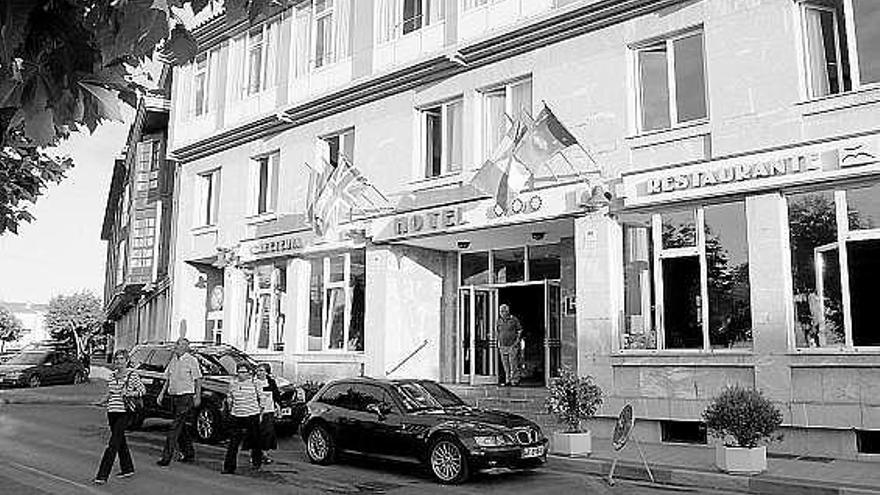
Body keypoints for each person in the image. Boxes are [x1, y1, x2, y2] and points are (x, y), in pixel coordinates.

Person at [94, 349, 145, 485]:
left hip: (124, 411)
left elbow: (141, 390)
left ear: (127, 360)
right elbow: (110, 392)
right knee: (120, 441)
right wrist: (101, 401)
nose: (118, 361)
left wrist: (129, 393)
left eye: (122, 359)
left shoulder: (132, 375)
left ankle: (102, 475)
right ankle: (128, 468)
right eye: (117, 359)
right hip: (112, 411)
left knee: (113, 443)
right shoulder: (111, 375)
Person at [156, 337, 202, 466]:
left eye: (179, 344)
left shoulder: (191, 361)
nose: (176, 346)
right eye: (176, 344)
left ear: (185, 347)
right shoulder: (174, 360)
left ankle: (166, 457)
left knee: (174, 427)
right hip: (174, 397)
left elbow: (198, 380)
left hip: (185, 397)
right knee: (181, 427)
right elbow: (168, 378)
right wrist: (161, 394)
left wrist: (197, 397)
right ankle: (189, 453)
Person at [223, 363, 263, 474]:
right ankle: (229, 467)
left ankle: (257, 461)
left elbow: (261, 398)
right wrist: (230, 407)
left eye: (244, 372)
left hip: (252, 414)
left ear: (249, 373)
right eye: (239, 372)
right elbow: (229, 397)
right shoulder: (233, 384)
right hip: (237, 415)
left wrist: (260, 413)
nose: (241, 374)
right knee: (233, 442)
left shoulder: (255, 383)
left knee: (255, 439)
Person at [252, 363, 281, 464]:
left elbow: (276, 395)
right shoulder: (253, 383)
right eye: (258, 370)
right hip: (256, 410)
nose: (259, 372)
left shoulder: (271, 382)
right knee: (256, 433)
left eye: (261, 370)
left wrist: (278, 408)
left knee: (268, 432)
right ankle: (256, 455)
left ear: (267, 372)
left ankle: (264, 453)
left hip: (269, 410)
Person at [496, 304, 523, 386]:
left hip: (512, 345)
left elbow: (519, 330)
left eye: (503, 311)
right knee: (505, 364)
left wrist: (516, 342)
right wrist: (499, 342)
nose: (502, 313)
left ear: (507, 312)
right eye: (501, 311)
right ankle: (508, 380)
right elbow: (498, 331)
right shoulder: (499, 321)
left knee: (513, 363)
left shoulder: (514, 320)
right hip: (503, 345)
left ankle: (514, 380)